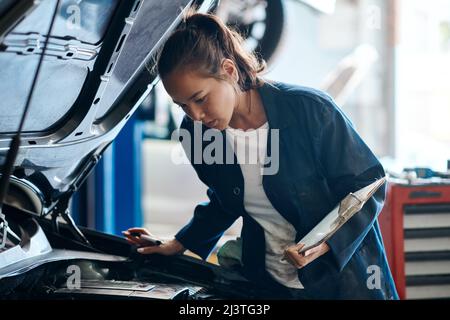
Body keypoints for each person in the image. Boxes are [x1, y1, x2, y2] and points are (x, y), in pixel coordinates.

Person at [123, 10, 398, 300]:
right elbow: (225, 201)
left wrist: (326, 242)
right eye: (182, 106)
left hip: (343, 283)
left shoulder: (310, 110)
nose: (195, 114)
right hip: (269, 284)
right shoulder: (197, 135)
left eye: (200, 98)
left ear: (229, 71)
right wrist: (178, 243)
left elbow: (369, 185)